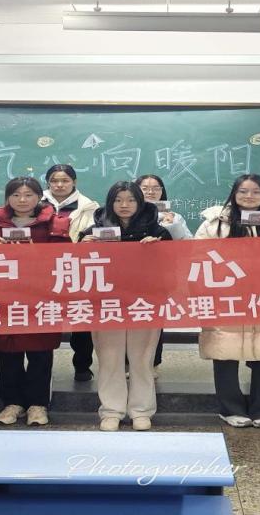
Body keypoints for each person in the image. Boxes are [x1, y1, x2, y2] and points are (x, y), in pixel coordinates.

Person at [194, 174, 260, 429]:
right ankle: (230, 408)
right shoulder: (215, 223)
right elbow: (197, 255)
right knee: (225, 353)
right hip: (226, 297)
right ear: (234, 194)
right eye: (243, 191)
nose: (249, 196)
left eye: (256, 192)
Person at [0, 177, 69, 427]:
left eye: (28, 195)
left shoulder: (54, 223)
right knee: (7, 354)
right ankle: (11, 403)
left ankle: (38, 404)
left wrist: (37, 253)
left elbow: (65, 258)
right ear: (8, 198)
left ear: (39, 197)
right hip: (3, 298)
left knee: (40, 353)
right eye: (16, 195)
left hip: (40, 297)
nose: (22, 200)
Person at [78, 181, 171, 432]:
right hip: (106, 303)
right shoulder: (94, 231)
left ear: (140, 202)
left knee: (142, 359)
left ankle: (141, 411)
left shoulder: (158, 231)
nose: (124, 205)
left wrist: (158, 250)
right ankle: (111, 411)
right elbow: (74, 267)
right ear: (110, 203)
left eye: (131, 200)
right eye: (118, 200)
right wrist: (82, 248)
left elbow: (172, 266)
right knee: (109, 359)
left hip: (145, 303)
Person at [42, 164, 100, 382]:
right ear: (48, 183)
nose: (59, 185)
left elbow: (97, 233)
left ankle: (82, 365)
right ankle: (31, 364)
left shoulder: (90, 207)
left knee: (81, 319)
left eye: (65, 180)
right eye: (54, 180)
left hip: (77, 269)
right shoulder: (34, 202)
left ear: (74, 182)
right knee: (40, 318)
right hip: (40, 271)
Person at [134, 173, 193, 374]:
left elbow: (187, 244)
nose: (150, 192)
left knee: (154, 321)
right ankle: (128, 364)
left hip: (159, 276)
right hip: (129, 276)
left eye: (156, 188)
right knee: (128, 320)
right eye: (145, 188)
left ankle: (153, 363)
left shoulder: (173, 216)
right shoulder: (126, 212)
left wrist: (171, 225)